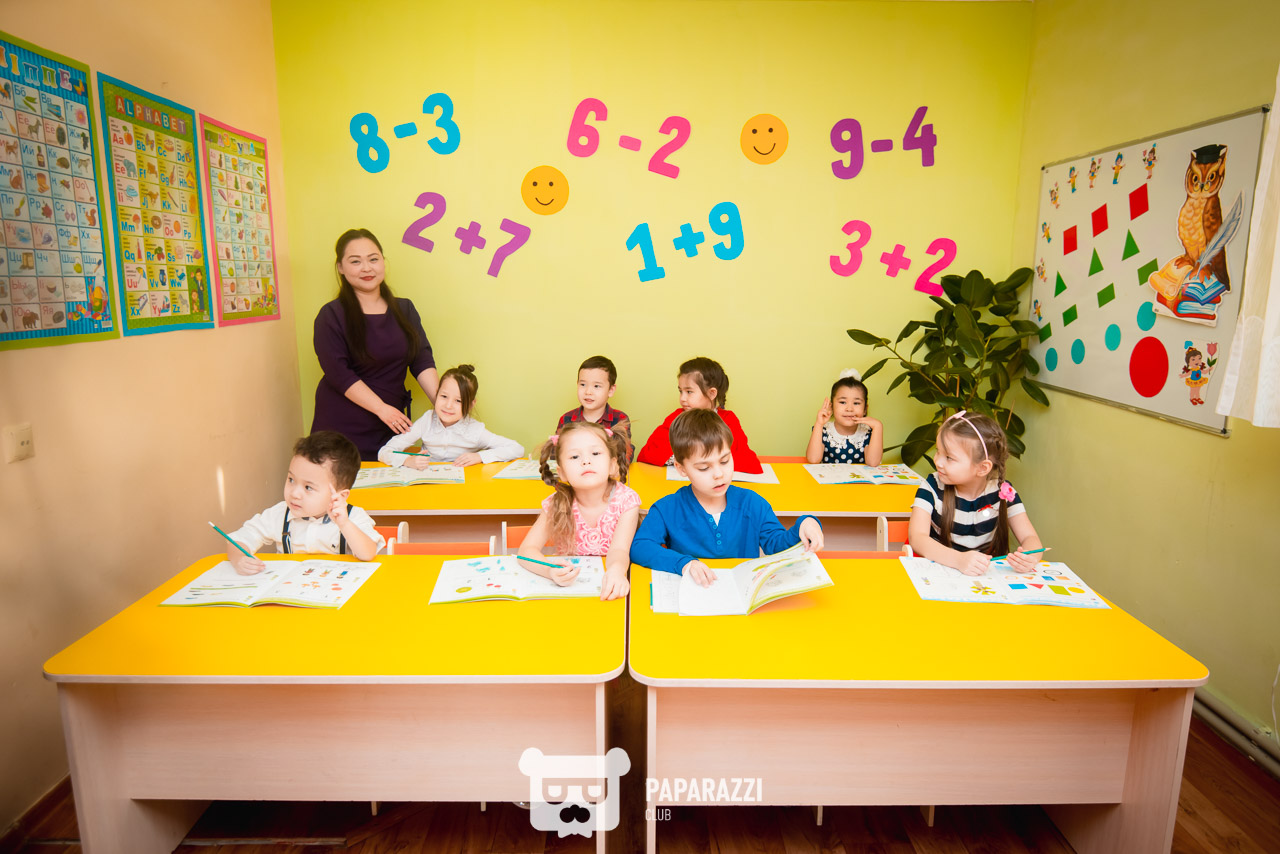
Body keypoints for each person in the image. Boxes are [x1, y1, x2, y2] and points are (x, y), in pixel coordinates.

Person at [630, 409, 823, 587]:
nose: (719, 474)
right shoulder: (667, 508)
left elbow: (777, 545)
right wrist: (684, 563)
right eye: (704, 468)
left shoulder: (752, 503)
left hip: (741, 596)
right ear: (681, 468)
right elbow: (640, 546)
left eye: (724, 461)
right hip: (695, 594)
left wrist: (804, 524)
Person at [312, 228, 438, 459]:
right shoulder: (331, 315)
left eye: (373, 259)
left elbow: (421, 359)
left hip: (391, 428)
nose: (367, 268)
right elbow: (339, 374)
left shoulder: (405, 309)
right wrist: (382, 409)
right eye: (355, 261)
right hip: (341, 428)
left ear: (383, 261)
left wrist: (443, 404)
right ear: (340, 267)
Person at [225, 431, 383, 575]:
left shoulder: (352, 517)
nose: (294, 493)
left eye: (308, 487)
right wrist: (239, 559)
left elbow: (368, 554)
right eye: (291, 480)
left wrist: (345, 524)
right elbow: (239, 539)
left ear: (340, 496)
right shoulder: (279, 514)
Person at [908, 411, 1043, 576]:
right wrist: (959, 560)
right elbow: (917, 538)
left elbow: (1030, 538)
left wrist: (1029, 557)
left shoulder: (1003, 492)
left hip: (982, 578)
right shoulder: (931, 487)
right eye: (938, 451)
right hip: (938, 574)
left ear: (982, 468)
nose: (938, 461)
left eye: (949, 457)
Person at [516, 421, 639, 600]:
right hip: (569, 592)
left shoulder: (626, 501)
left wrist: (616, 571)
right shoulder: (556, 504)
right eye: (574, 457)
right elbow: (526, 551)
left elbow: (619, 550)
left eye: (595, 453)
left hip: (610, 588)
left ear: (612, 465)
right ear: (562, 473)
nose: (586, 461)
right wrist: (550, 571)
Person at [377, 364, 522, 467]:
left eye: (458, 401)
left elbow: (516, 448)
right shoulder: (427, 420)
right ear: (437, 394)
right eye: (444, 396)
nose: (448, 406)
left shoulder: (475, 430)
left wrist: (479, 456)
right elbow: (384, 452)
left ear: (471, 404)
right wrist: (407, 461)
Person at [636, 356, 762, 473]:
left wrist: (697, 458)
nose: (682, 398)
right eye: (680, 391)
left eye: (689, 392)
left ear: (712, 393)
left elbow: (749, 462)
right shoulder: (677, 418)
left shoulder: (728, 420)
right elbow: (646, 455)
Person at [805, 369, 883, 465]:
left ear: (865, 409)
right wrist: (819, 424)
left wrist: (878, 427)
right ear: (832, 406)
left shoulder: (867, 432)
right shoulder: (824, 430)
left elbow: (873, 462)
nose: (849, 409)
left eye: (856, 403)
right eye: (842, 402)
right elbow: (813, 459)